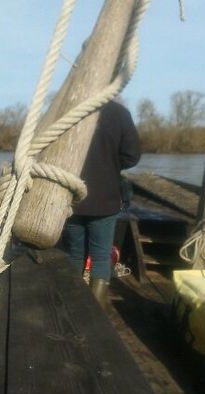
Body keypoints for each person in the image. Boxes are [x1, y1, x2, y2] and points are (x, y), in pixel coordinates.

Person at [62, 100, 141, 306]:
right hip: (105, 199)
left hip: (72, 198)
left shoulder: (72, 108)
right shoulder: (120, 113)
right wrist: (110, 164)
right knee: (101, 255)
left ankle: (73, 303)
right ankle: (96, 308)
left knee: (74, 253)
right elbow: (132, 156)